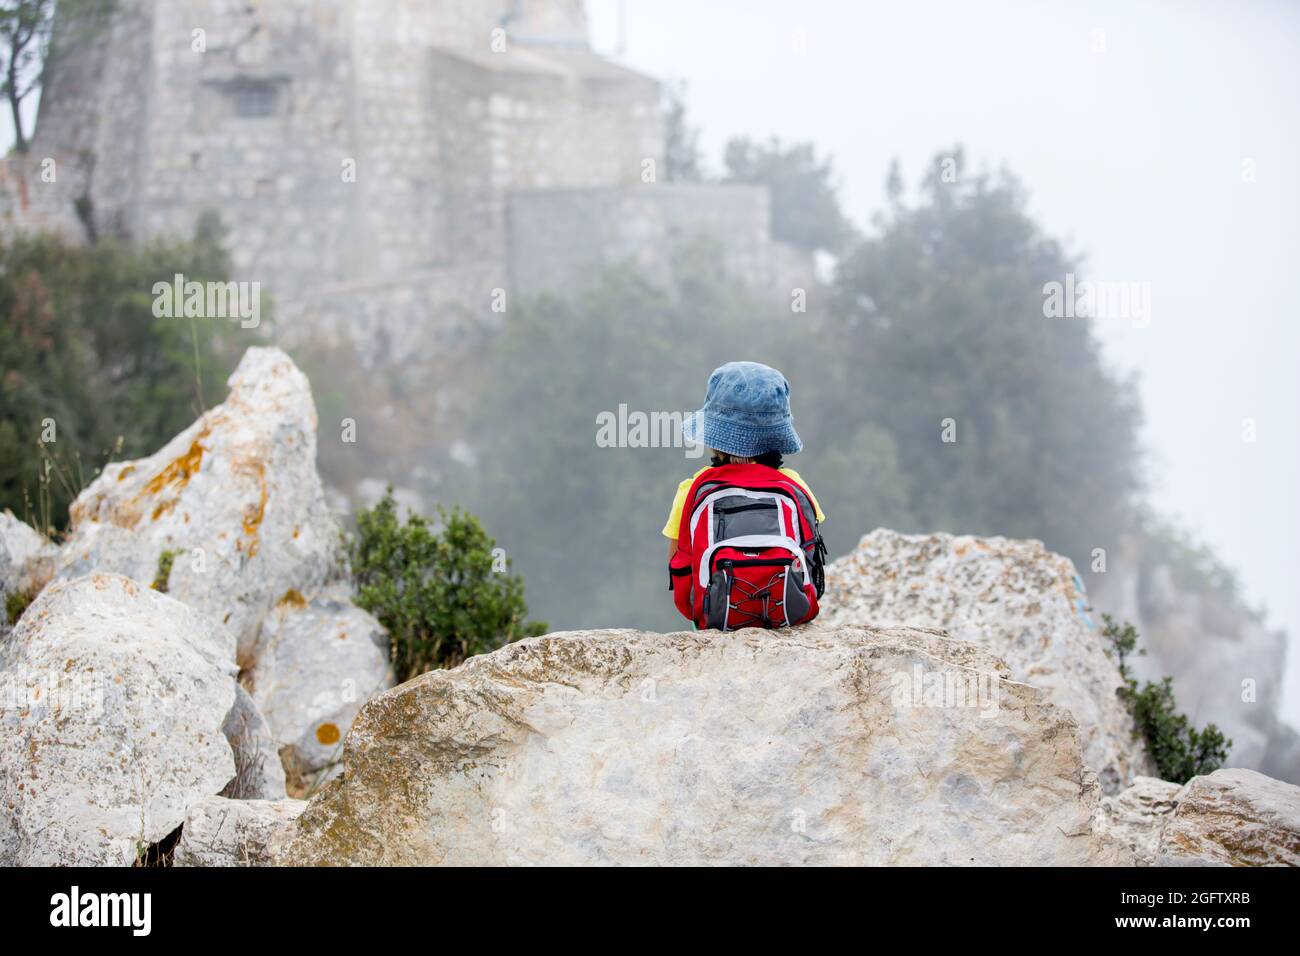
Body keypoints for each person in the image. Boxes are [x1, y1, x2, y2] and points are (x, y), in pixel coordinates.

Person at [665, 361, 826, 629]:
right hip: (786, 616)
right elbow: (812, 556)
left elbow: (679, 566)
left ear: (713, 437)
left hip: (716, 620)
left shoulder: (690, 489)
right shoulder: (795, 485)